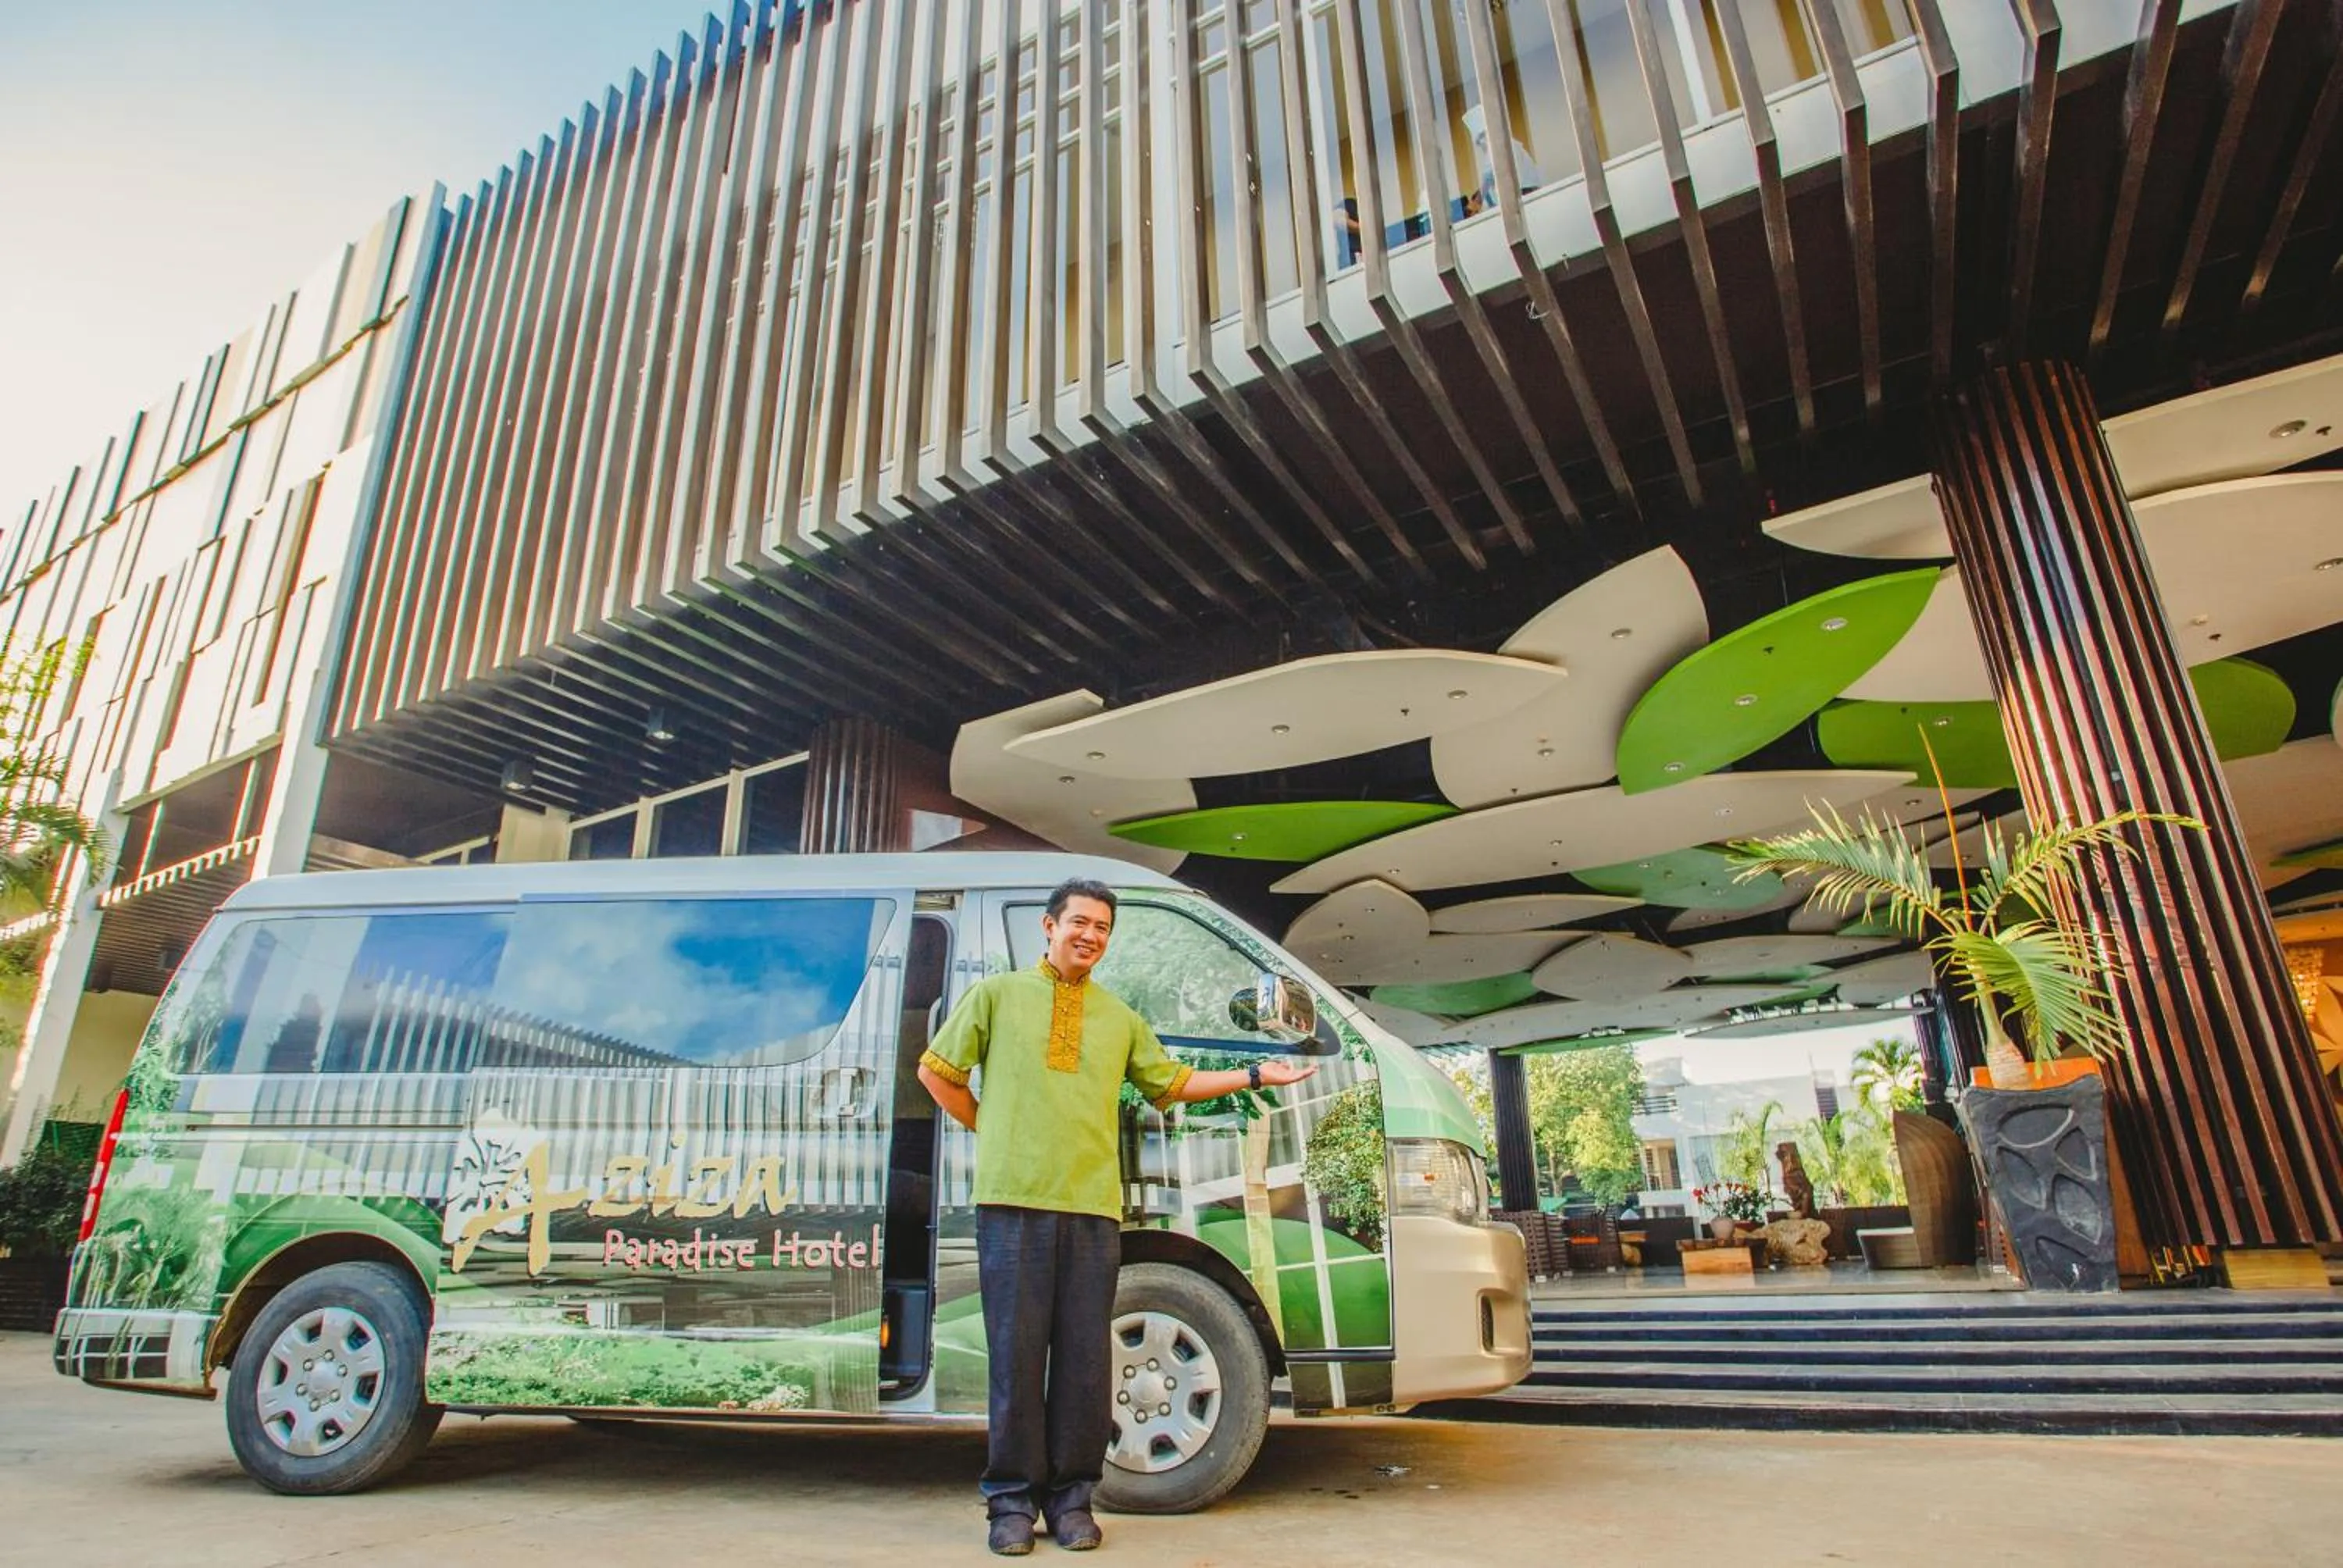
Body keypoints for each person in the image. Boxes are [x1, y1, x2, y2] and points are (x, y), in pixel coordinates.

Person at [918, 878, 1318, 1557]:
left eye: (1102, 927)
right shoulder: (996, 996)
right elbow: (937, 1072)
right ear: (1049, 926)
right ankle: (1010, 1505)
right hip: (1012, 1205)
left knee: (1083, 1363)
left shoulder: (1118, 1017)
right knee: (1016, 1361)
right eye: (1079, 922)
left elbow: (1172, 1083)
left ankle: (1073, 1500)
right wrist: (994, 1131)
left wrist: (1256, 1077)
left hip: (1093, 1209)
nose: (1090, 936)